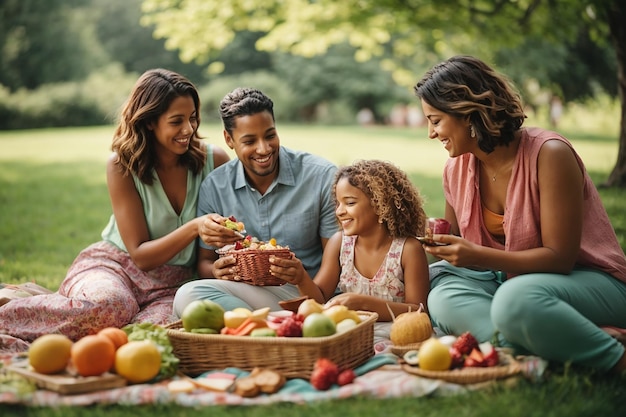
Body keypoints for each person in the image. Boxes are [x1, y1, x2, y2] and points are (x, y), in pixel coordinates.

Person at [413, 55, 626, 373]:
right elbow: (457, 244)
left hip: (588, 282)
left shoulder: (549, 154)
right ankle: (553, 345)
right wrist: (431, 240)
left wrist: (481, 256)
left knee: (515, 301)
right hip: (506, 282)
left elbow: (560, 258)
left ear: (466, 112)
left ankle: (614, 358)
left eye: (435, 120)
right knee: (441, 295)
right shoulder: (455, 168)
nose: (431, 133)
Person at [0, 68, 230, 353]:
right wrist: (195, 226)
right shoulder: (122, 166)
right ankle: (11, 312)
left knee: (145, 342)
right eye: (176, 121)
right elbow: (141, 255)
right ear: (149, 122)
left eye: (193, 117)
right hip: (116, 267)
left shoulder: (215, 161)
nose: (189, 129)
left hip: (172, 287)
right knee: (111, 306)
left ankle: (40, 298)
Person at [173, 88, 338, 315]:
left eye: (270, 135)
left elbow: (338, 261)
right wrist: (216, 271)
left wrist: (306, 288)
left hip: (308, 293)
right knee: (187, 296)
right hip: (248, 293)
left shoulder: (321, 177)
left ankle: (270, 328)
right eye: (250, 141)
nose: (264, 149)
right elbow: (205, 263)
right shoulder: (215, 187)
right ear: (229, 140)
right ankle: (276, 327)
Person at [270, 159, 430, 352]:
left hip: (396, 335)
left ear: (380, 205)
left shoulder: (408, 249)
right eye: (337, 203)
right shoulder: (340, 244)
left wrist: (362, 303)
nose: (339, 211)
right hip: (350, 334)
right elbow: (319, 301)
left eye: (350, 203)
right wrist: (301, 277)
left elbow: (418, 311)